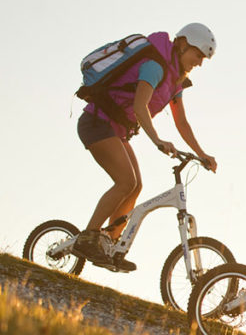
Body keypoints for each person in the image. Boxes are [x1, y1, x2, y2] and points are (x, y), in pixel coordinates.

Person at [73, 24, 218, 270]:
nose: (200, 63)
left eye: (204, 59)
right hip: (97, 123)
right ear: (182, 44)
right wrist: (158, 140)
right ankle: (89, 236)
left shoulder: (176, 82)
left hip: (115, 130)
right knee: (125, 182)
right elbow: (141, 107)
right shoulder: (155, 66)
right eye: (198, 55)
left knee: (136, 185)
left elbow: (182, 122)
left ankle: (109, 243)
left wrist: (202, 154)